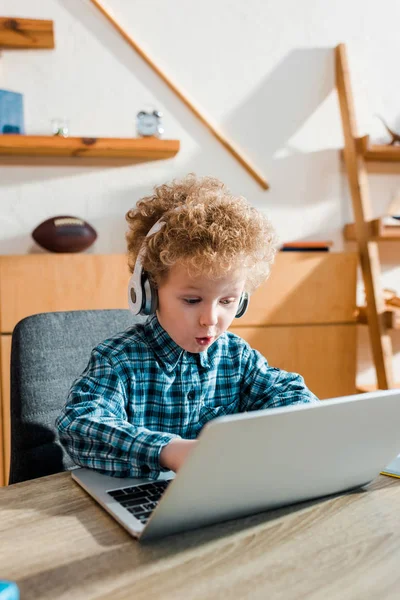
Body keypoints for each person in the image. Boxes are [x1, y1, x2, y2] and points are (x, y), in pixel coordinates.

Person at [56, 174, 318, 479]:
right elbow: (80, 424)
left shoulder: (236, 357)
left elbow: (289, 392)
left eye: (227, 301)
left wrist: (299, 419)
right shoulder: (118, 361)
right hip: (140, 498)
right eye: (192, 300)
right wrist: (168, 450)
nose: (210, 319)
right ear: (149, 292)